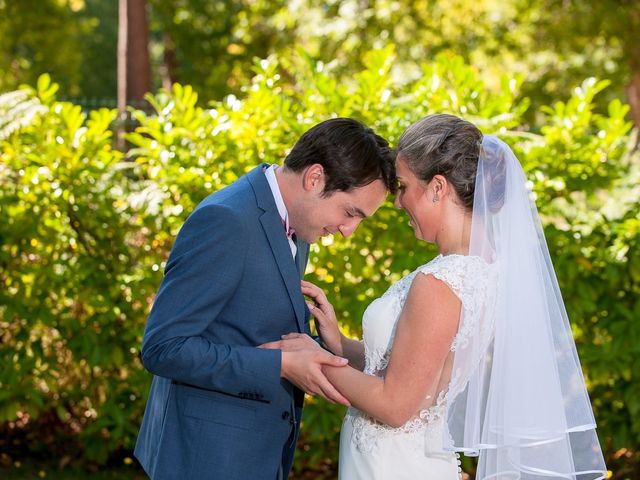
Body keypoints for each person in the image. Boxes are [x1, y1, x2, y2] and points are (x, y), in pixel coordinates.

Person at [265, 114, 607, 479]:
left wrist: (312, 356)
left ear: (438, 188)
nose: (398, 202)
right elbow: (417, 367)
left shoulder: (440, 282)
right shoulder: (480, 268)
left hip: (392, 466)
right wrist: (339, 345)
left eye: (403, 186)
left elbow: (395, 405)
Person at [134, 117, 397, 480]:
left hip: (257, 454)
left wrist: (326, 344)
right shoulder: (225, 220)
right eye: (350, 212)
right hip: (206, 459)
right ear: (315, 178)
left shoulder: (298, 221)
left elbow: (246, 330)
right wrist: (280, 367)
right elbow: (163, 347)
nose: (348, 231)